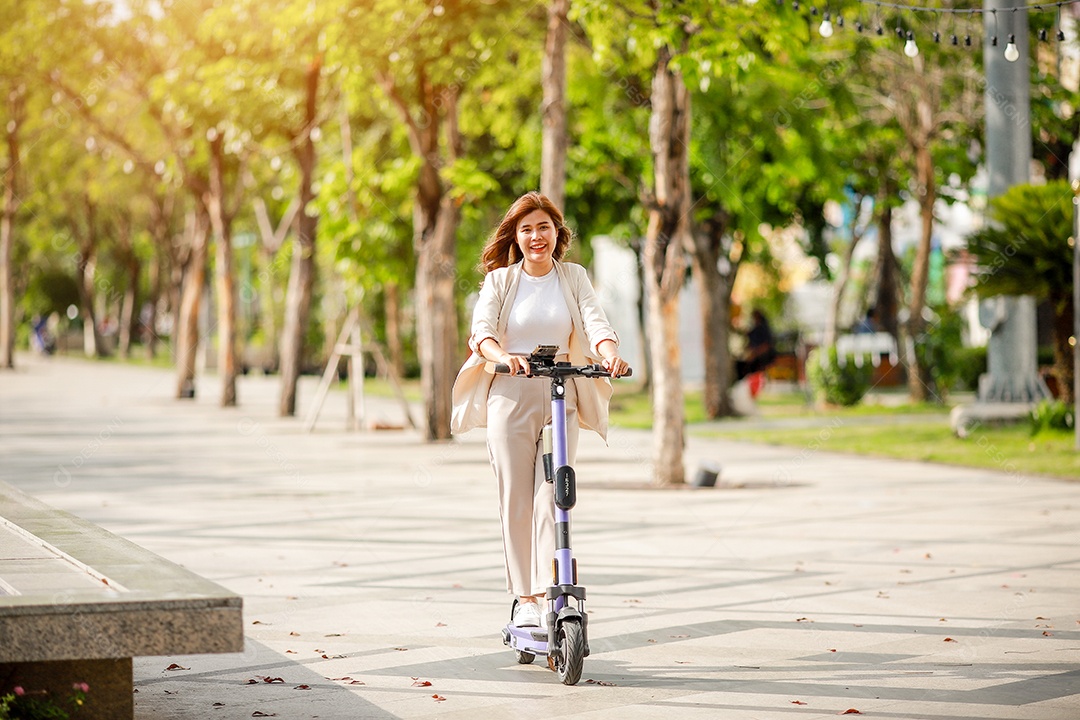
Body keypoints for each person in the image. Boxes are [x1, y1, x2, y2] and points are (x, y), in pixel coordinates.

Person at [450, 191, 628, 630]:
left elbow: (595, 321)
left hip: (559, 392)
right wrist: (503, 356)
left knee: (553, 496)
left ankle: (552, 590)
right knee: (516, 497)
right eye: (526, 229)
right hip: (511, 394)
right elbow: (482, 331)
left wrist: (609, 354)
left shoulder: (573, 276)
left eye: (543, 227)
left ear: (556, 232)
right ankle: (524, 599)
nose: (536, 237)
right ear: (515, 236)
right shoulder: (501, 281)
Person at [734, 308, 776, 381]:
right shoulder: (756, 328)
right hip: (755, 356)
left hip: (763, 358)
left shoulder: (763, 328)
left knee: (744, 368)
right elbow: (748, 335)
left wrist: (754, 354)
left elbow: (766, 346)